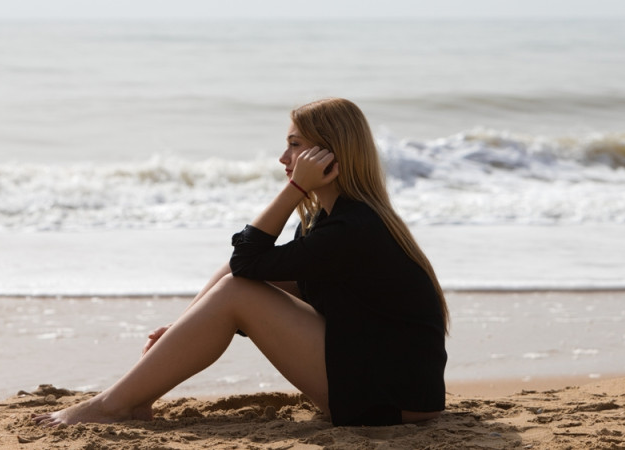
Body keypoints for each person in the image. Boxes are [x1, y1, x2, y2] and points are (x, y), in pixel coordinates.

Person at [33, 98, 448, 427]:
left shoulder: (352, 228)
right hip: (387, 379)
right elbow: (246, 264)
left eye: (295, 146)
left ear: (328, 156)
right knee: (235, 279)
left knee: (238, 289)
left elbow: (248, 260)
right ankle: (135, 393)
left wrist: (295, 189)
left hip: (393, 401)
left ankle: (113, 404)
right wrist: (182, 329)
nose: (284, 159)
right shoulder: (335, 219)